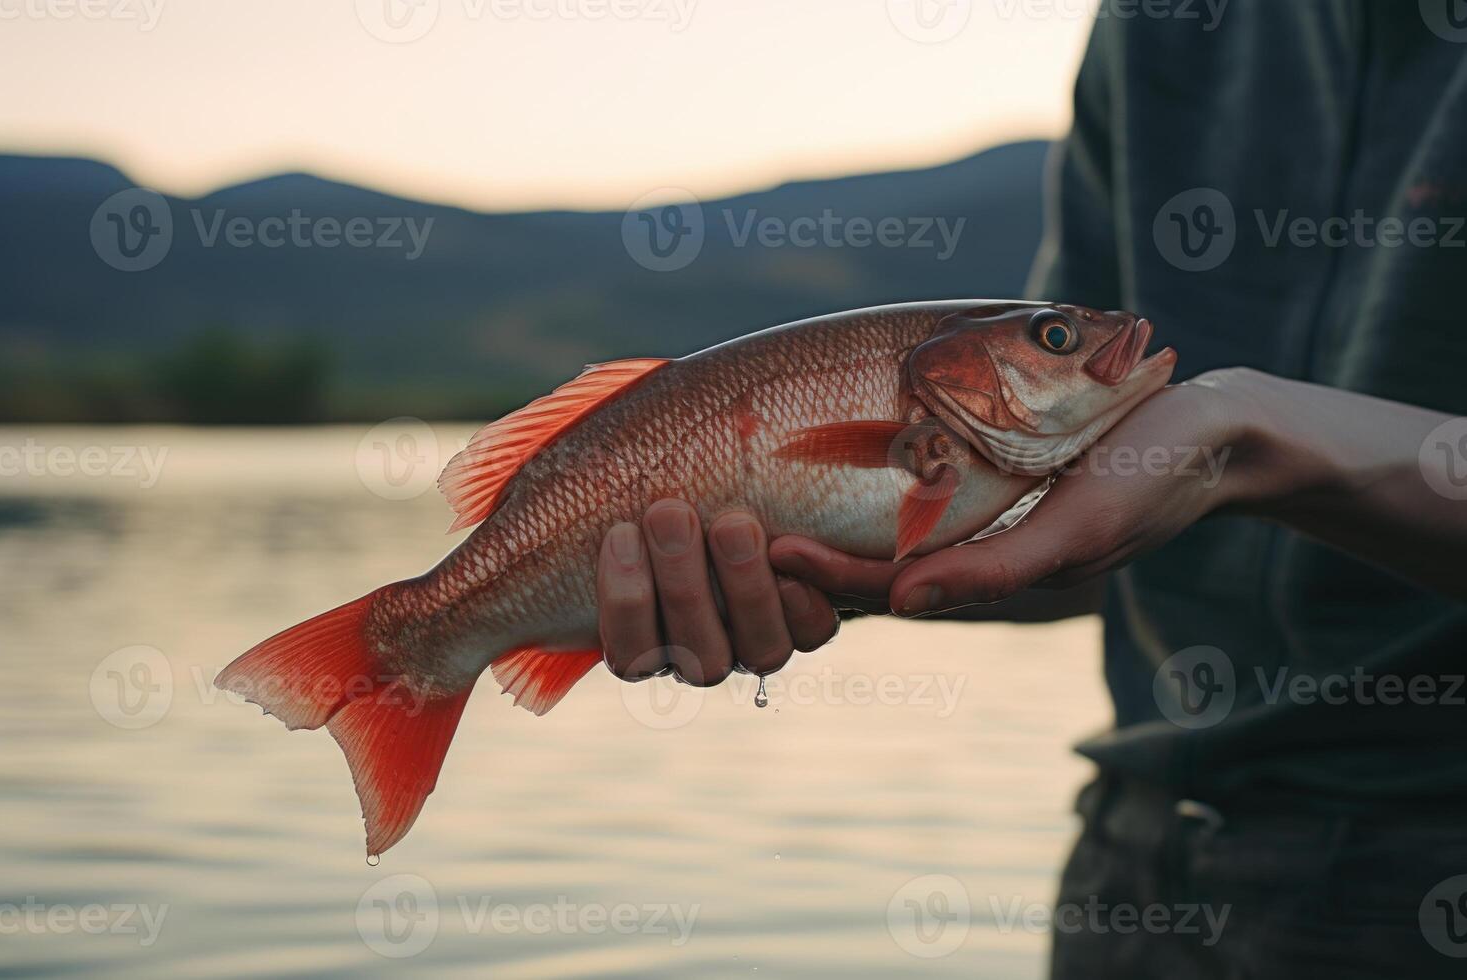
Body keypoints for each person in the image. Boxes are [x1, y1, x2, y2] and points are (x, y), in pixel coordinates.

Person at [595, 4, 1467, 977]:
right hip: (1134, 859)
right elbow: (1073, 539)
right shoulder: (1156, 24)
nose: (1094, 339)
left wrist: (1259, 437)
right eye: (1057, 338)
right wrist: (841, 548)